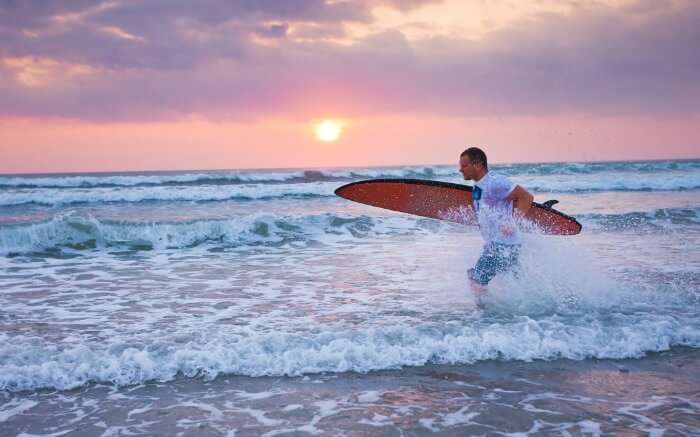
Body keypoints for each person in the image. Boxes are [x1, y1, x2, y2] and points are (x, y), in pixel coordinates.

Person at [458, 147, 534, 304]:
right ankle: (520, 311)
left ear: (477, 164)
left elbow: (526, 197)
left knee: (476, 280)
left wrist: (512, 223)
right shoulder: (479, 186)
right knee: (516, 282)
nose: (460, 169)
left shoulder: (494, 182)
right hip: (502, 245)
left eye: (464, 166)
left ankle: (486, 316)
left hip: (502, 245)